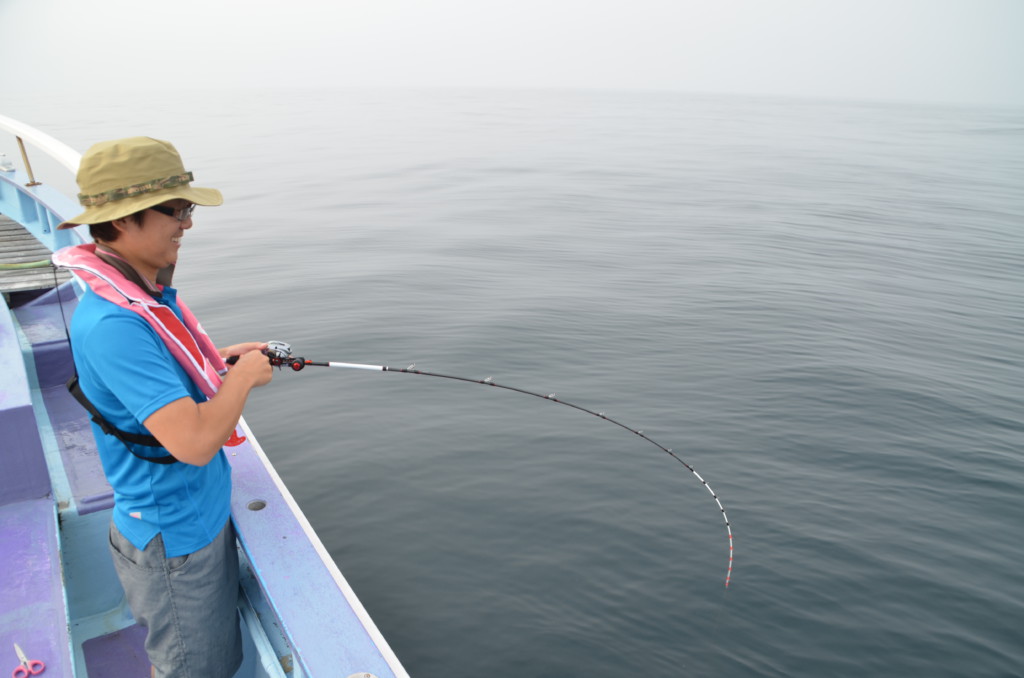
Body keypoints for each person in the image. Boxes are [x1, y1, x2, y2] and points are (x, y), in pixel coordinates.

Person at [53, 137, 273, 677]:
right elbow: (194, 443)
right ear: (124, 219)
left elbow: (156, 376)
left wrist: (220, 362)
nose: (187, 224)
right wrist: (242, 379)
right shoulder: (115, 323)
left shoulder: (136, 293)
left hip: (193, 520)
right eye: (176, 210)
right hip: (174, 543)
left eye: (187, 209)